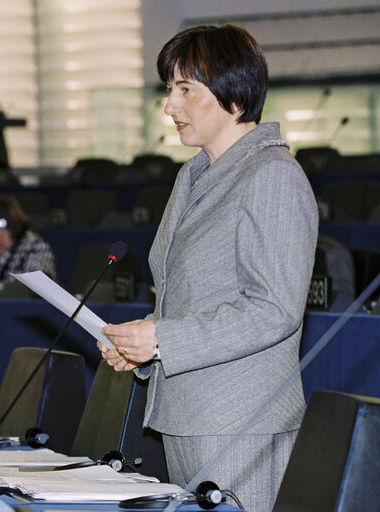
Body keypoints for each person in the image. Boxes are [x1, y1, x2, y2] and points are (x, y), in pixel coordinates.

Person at [98, 25, 318, 512]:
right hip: (187, 413)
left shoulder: (273, 176)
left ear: (234, 98)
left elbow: (273, 310)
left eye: (185, 90)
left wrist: (162, 340)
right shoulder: (194, 175)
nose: (170, 106)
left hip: (241, 422)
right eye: (169, 90)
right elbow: (187, 298)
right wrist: (143, 349)